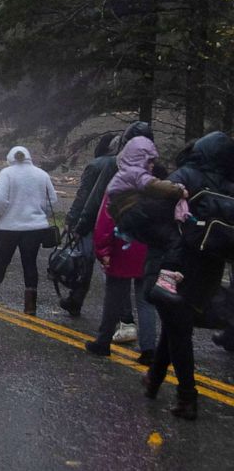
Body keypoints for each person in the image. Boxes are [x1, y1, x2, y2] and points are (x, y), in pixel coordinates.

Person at [142, 131, 234, 420]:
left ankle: (187, 397)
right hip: (211, 266)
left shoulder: (187, 176)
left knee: (179, 330)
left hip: (179, 262)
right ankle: (154, 380)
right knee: (176, 321)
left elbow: (152, 211)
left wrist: (170, 241)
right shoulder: (230, 184)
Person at [63, 122, 155, 316]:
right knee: (124, 274)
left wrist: (76, 222)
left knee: (90, 265)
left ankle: (82, 303)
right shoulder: (150, 166)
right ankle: (125, 320)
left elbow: (88, 197)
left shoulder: (106, 165)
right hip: (134, 230)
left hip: (101, 223)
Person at [0, 146, 58, 315]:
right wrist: (40, 215)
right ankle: (30, 305)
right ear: (29, 157)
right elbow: (52, 200)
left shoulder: (7, 173)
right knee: (30, 264)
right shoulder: (42, 174)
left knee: (1, 262)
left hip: (8, 228)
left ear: (10, 158)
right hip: (35, 227)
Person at [104, 136, 188, 298]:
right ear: (139, 159)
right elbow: (154, 185)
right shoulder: (136, 173)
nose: (151, 166)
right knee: (174, 238)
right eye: (149, 161)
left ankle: (159, 275)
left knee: (158, 236)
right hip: (137, 211)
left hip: (127, 218)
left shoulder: (123, 173)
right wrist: (178, 190)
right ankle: (167, 275)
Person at [84, 194, 157, 364]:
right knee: (145, 301)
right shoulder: (154, 186)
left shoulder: (118, 186)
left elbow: (105, 222)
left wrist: (102, 251)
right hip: (148, 249)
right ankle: (149, 349)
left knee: (114, 299)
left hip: (121, 249)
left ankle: (103, 342)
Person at [60, 134, 116, 315]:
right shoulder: (124, 164)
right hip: (117, 220)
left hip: (93, 220)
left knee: (86, 261)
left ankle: (76, 299)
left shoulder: (96, 165)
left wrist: (71, 219)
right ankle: (119, 314)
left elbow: (83, 195)